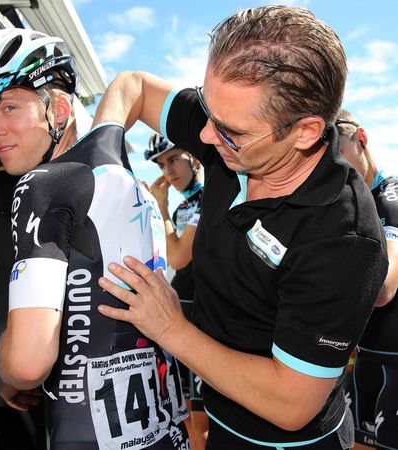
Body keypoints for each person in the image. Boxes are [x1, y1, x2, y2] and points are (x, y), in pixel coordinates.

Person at [92, 5, 389, 449]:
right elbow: (133, 85)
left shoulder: (345, 238)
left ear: (305, 132)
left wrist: (171, 328)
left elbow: (291, 404)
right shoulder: (231, 128)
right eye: (207, 110)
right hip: (221, 419)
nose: (205, 137)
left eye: (230, 131)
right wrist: (95, 158)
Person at [0, 28, 189, 449]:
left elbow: (27, 364)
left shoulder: (42, 185)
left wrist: (7, 371)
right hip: (163, 427)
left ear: (59, 109)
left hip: (85, 435)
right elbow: (132, 84)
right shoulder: (114, 164)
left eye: (9, 107)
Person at [336, 110, 398, 450]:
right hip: (364, 357)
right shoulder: (350, 200)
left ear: (361, 138)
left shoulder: (391, 197)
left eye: (339, 150)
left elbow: (385, 288)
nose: (335, 164)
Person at [145, 134, 208, 449]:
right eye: (161, 164)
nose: (168, 170)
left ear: (194, 159)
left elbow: (179, 257)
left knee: (201, 421)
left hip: (203, 317)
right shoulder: (186, 205)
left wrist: (161, 208)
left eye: (173, 159)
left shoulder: (208, 196)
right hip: (183, 313)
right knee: (185, 415)